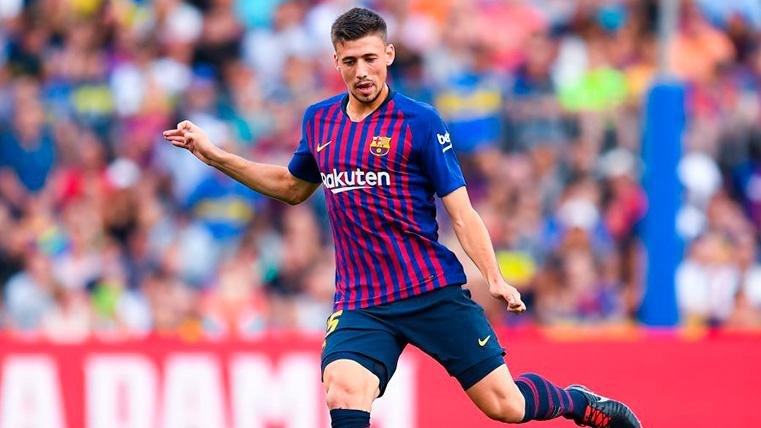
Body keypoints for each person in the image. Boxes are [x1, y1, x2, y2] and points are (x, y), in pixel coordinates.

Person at [163, 7, 641, 428]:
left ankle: (580, 403)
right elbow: (292, 187)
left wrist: (493, 276)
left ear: (388, 55)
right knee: (344, 390)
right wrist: (215, 155)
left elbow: (461, 211)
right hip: (362, 301)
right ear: (336, 62)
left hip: (428, 290)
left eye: (370, 58)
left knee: (505, 405)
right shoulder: (319, 121)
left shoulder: (420, 122)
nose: (361, 71)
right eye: (350, 61)